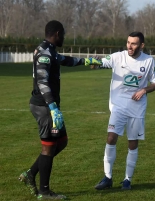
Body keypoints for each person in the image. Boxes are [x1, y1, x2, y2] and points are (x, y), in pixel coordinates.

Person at [18, 20, 102, 200]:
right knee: (48, 148)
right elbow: (42, 82)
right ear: (57, 33)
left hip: (48, 105)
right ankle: (44, 191)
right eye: (62, 34)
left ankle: (31, 174)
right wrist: (53, 108)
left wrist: (86, 61)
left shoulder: (50, 51)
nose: (63, 37)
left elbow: (67, 60)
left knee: (61, 142)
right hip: (44, 106)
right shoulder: (45, 54)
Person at [94, 32, 155, 190]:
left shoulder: (149, 61)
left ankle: (127, 180)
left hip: (137, 109)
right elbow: (100, 62)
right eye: (128, 42)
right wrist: (93, 62)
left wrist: (144, 90)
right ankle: (107, 177)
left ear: (141, 45)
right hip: (118, 106)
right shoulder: (118, 57)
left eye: (134, 43)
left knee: (132, 143)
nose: (129, 46)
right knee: (111, 138)